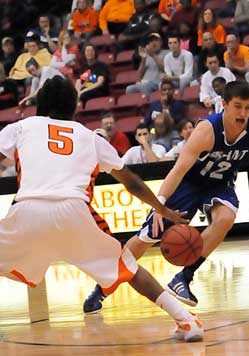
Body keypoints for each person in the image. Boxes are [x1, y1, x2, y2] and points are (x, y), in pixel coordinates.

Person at [82, 80, 249, 311]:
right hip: (189, 184)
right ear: (224, 104)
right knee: (145, 238)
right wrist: (160, 205)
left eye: (248, 108)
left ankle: (184, 277)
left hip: (219, 184)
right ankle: (102, 288)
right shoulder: (206, 130)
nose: (242, 113)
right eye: (237, 107)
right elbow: (178, 171)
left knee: (225, 218)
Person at [0, 76, 204, 342]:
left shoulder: (21, 127)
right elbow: (130, 181)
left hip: (27, 208)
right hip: (73, 211)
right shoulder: (89, 136)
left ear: (39, 104)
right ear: (74, 107)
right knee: (127, 267)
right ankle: (187, 321)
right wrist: (160, 208)